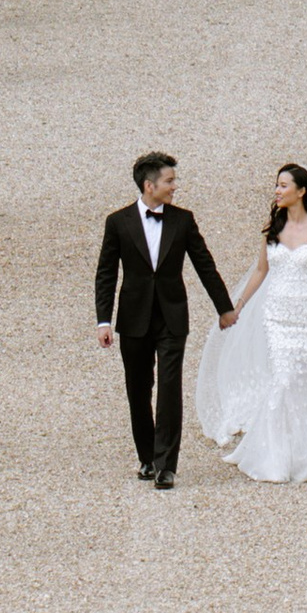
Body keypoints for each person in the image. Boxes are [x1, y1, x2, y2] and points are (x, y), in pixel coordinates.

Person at [194, 163, 307, 485]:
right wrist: (238, 306)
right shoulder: (273, 228)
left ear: (301, 191)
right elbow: (261, 272)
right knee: (283, 379)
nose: (277, 191)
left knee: (305, 380)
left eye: (284, 185)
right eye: (276, 185)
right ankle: (276, 456)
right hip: (276, 316)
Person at [94, 153, 235, 491]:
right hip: (133, 320)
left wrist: (224, 307)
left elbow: (205, 264)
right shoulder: (118, 222)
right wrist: (103, 320)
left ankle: (165, 465)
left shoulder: (183, 221)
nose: (175, 187)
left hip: (173, 318)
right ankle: (146, 456)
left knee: (170, 390)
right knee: (139, 390)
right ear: (149, 185)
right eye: (170, 181)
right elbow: (106, 274)